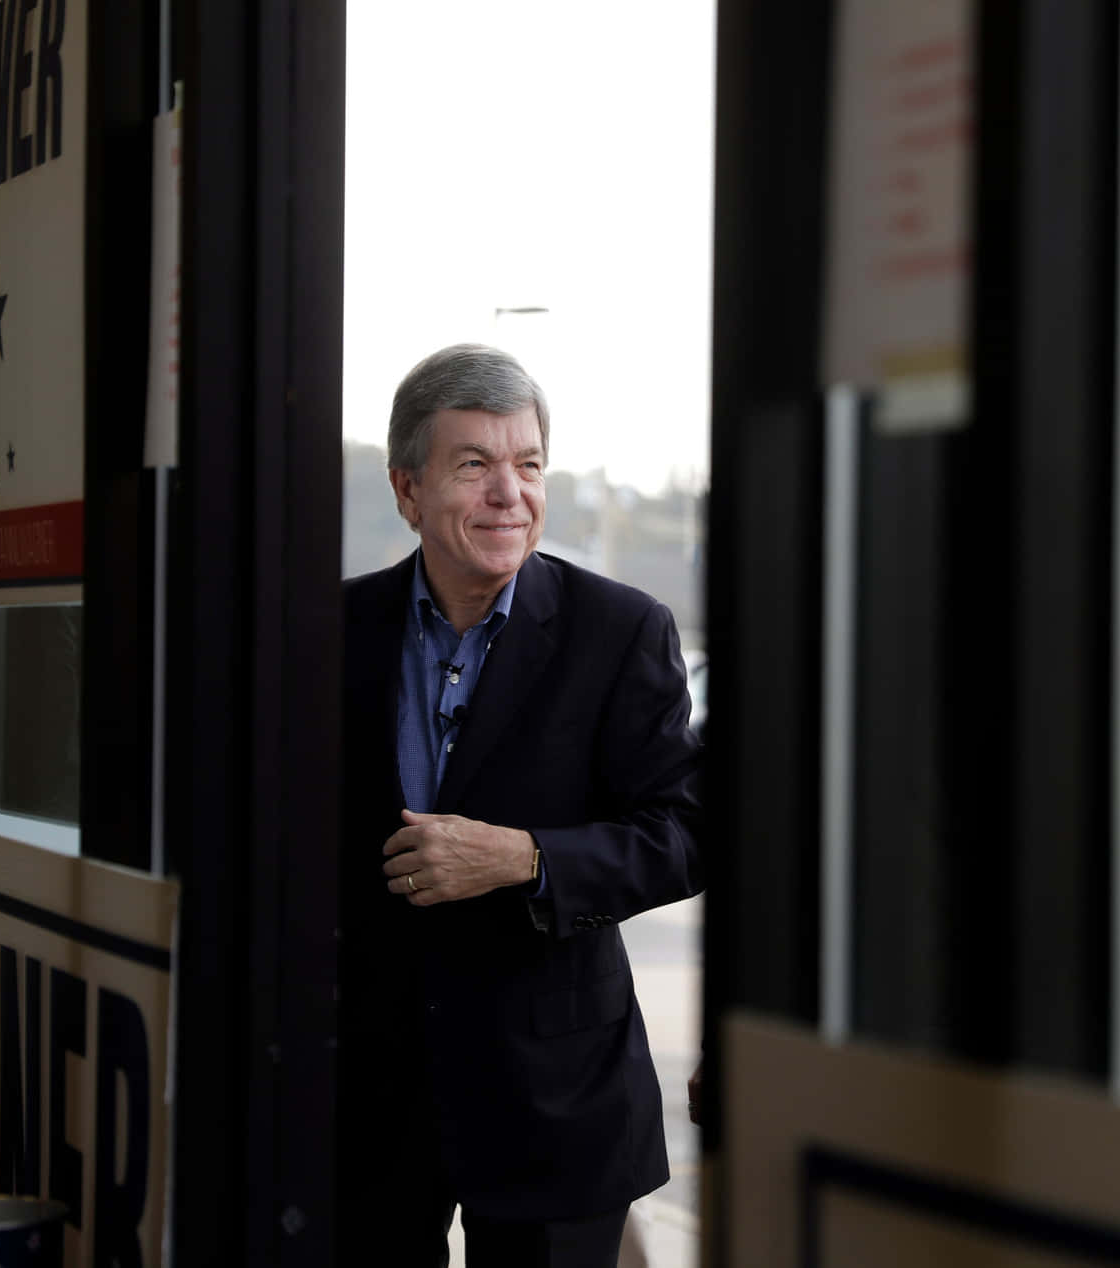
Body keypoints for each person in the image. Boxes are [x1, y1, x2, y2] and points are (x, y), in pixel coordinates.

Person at [337, 344, 703, 1266]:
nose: (511, 493)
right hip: (366, 1100)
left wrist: (529, 858)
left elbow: (685, 833)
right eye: (475, 465)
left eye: (528, 464)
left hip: (557, 1102)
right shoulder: (328, 628)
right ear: (407, 489)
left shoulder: (622, 631)